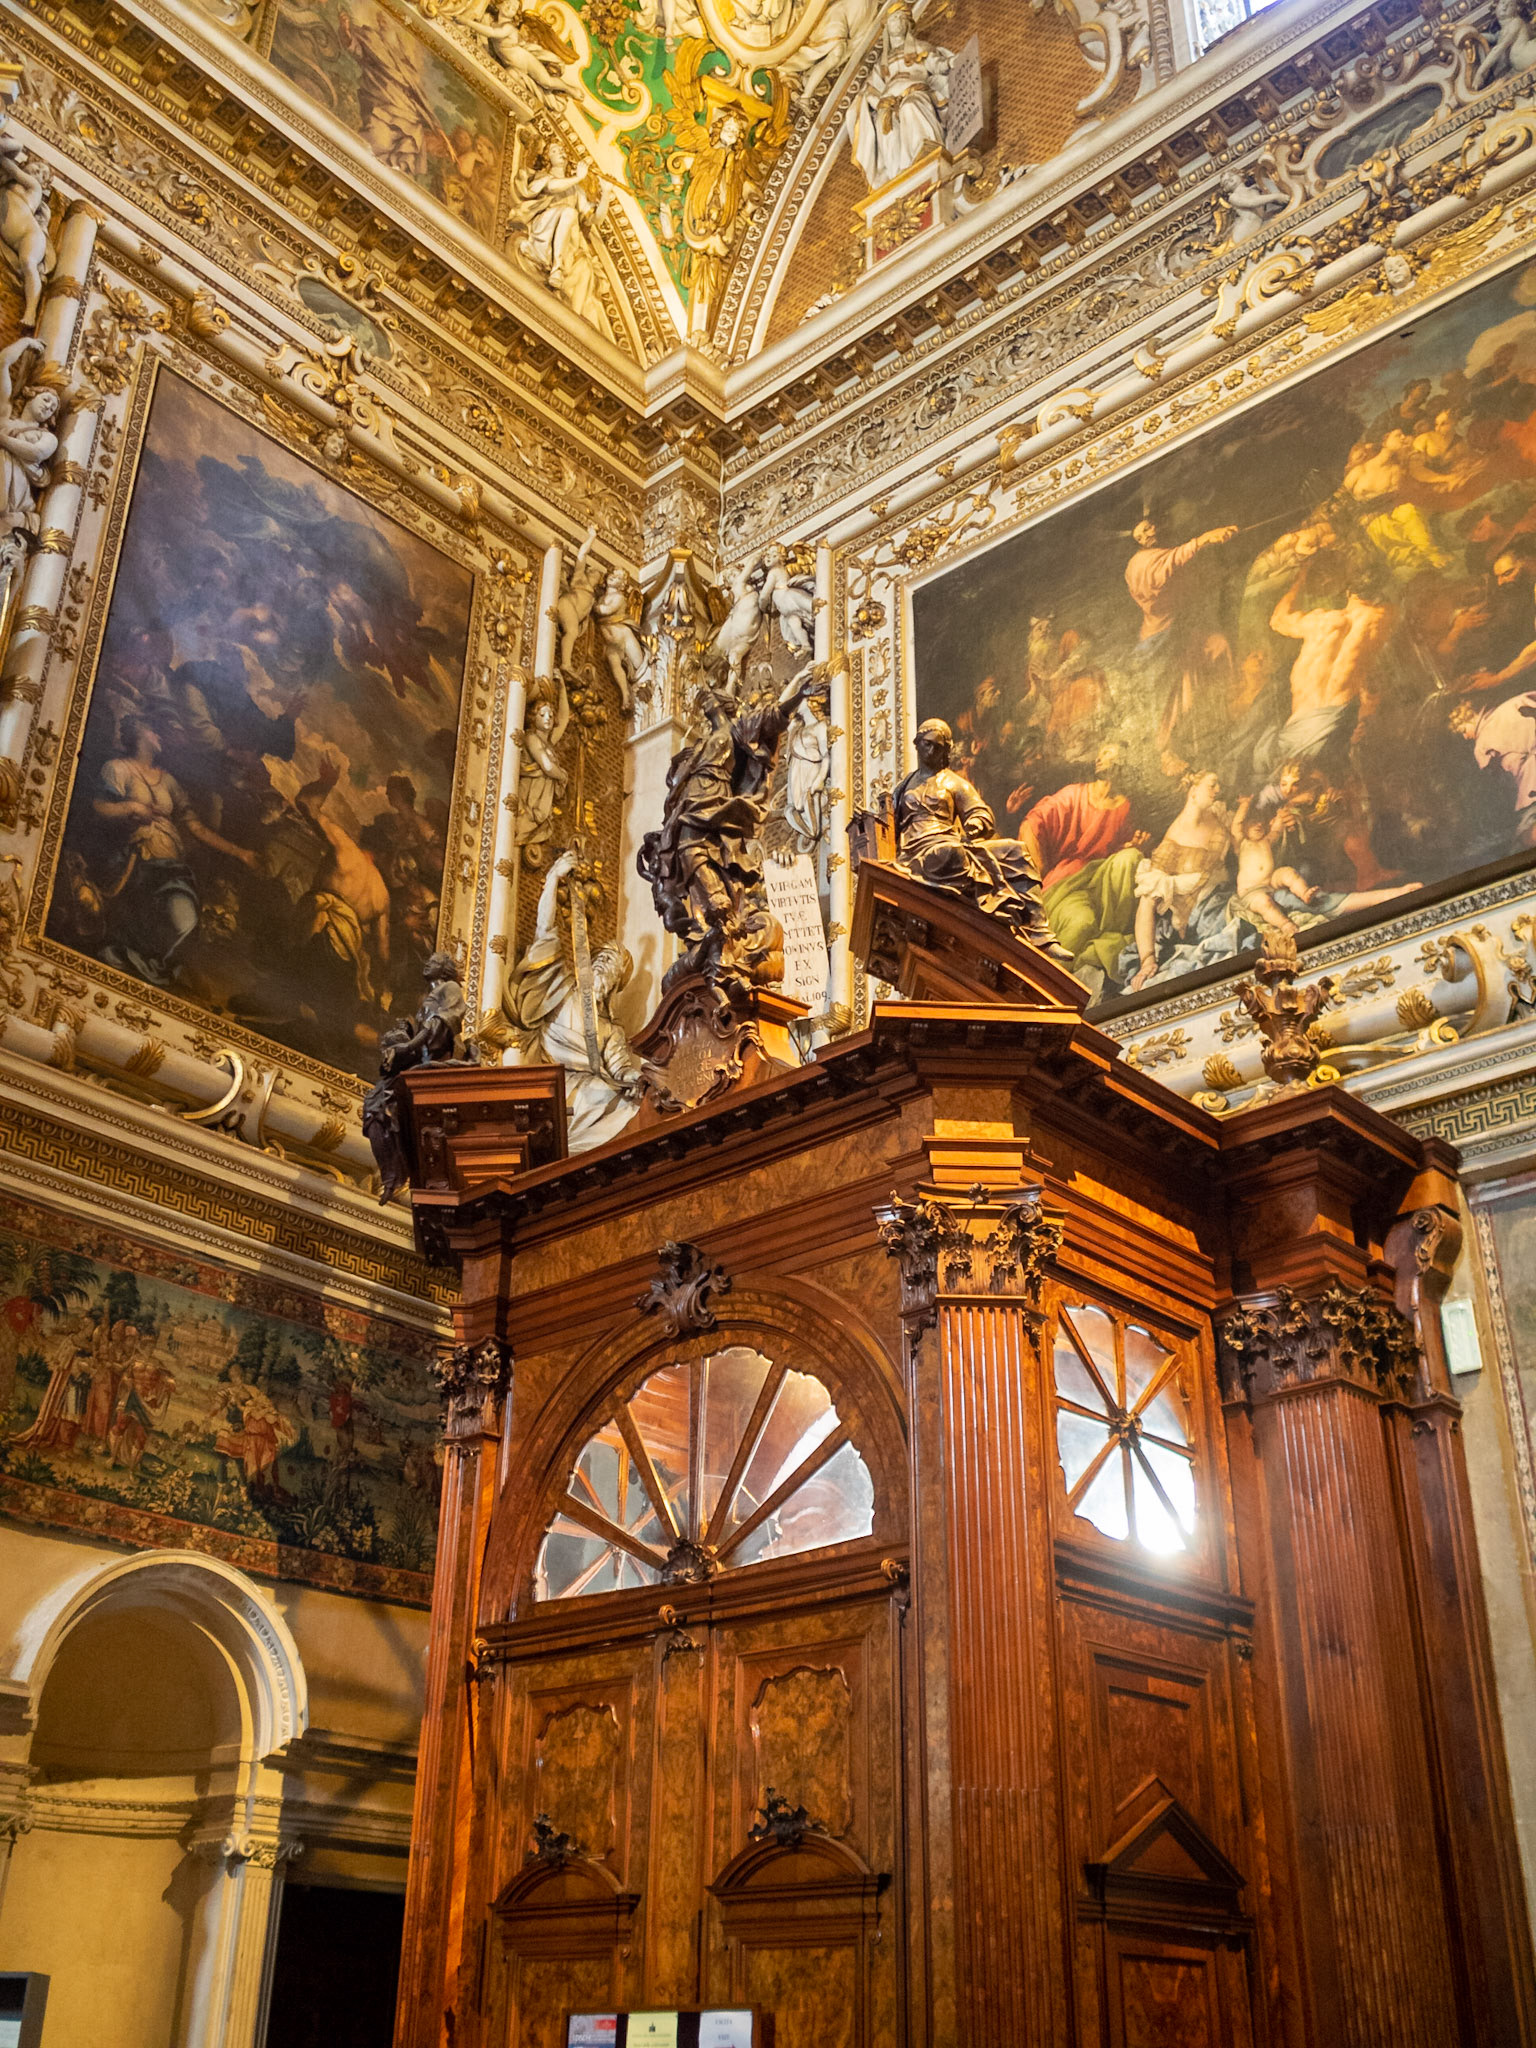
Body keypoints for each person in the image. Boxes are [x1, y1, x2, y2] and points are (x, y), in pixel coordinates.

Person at [93, 716, 260, 983]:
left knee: (185, 925)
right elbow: (99, 807)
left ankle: (140, 968)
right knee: (155, 926)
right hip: (136, 865)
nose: (159, 737)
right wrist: (133, 807)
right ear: (140, 732)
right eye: (154, 732)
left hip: (172, 870)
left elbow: (198, 829)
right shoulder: (117, 768)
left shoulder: (167, 780)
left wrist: (241, 853)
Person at [502, 850, 645, 1151]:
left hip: (589, 1087)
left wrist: (639, 1079)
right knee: (601, 1095)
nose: (606, 973)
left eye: (614, 972)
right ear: (590, 966)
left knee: (627, 1107)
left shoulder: (610, 1030)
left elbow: (621, 1070)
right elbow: (545, 932)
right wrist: (553, 878)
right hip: (555, 1085)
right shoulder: (560, 990)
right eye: (603, 963)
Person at [891, 719, 1067, 958]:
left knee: (1016, 851)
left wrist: (974, 826)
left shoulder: (953, 783)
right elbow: (889, 822)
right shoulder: (903, 788)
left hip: (948, 841)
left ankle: (1041, 935)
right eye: (926, 744)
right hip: (916, 852)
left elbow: (979, 812)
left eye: (938, 746)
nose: (931, 750)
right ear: (917, 744)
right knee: (951, 853)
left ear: (946, 749)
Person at [1019, 742, 1147, 975]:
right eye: (1099, 753)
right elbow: (1033, 823)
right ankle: (1047, 980)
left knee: (1130, 857)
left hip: (1099, 880)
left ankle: (1110, 931)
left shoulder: (1125, 807)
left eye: (1107, 753)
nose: (1099, 758)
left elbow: (1117, 850)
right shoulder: (1074, 794)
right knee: (1081, 925)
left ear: (1121, 763)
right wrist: (1035, 877)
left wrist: (1130, 846)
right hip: (1069, 883)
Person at [845, 3, 953, 191]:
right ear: (887, 27)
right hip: (888, 103)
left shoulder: (920, 47)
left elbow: (937, 65)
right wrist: (879, 103)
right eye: (894, 18)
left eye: (902, 18)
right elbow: (871, 89)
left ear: (908, 24)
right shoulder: (882, 63)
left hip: (914, 92)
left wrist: (950, 62)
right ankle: (896, 173)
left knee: (910, 108)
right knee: (884, 125)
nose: (897, 22)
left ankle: (927, 151)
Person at [1450, 693, 1536, 844]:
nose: (1465, 736)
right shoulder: (1518, 701)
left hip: (1531, 788)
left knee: (1524, 840)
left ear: (1470, 718)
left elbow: (1498, 785)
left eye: (1464, 730)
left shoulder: (1481, 746)